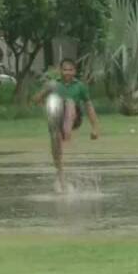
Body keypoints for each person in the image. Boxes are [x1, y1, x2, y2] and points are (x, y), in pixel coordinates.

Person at [33, 59, 100, 192]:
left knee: (69, 102)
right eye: (65, 70)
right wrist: (44, 97)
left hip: (74, 117)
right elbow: (37, 100)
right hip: (58, 118)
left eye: (70, 70)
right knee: (55, 140)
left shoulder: (80, 86)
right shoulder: (55, 84)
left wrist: (95, 128)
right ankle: (61, 176)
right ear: (60, 71)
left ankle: (66, 131)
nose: (67, 72)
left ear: (74, 71)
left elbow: (89, 107)